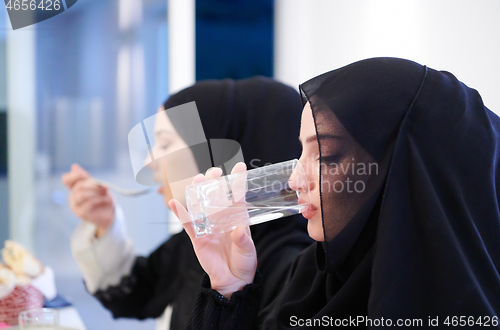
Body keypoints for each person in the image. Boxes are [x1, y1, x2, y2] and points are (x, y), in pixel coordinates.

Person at [170, 57, 500, 329]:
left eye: (325, 156)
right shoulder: (312, 283)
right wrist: (229, 291)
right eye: (300, 154)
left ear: (400, 172)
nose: (295, 179)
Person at [62, 77, 313, 330]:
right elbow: (134, 295)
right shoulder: (201, 240)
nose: (150, 160)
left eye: (165, 142)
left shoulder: (297, 274)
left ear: (217, 151)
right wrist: (104, 223)